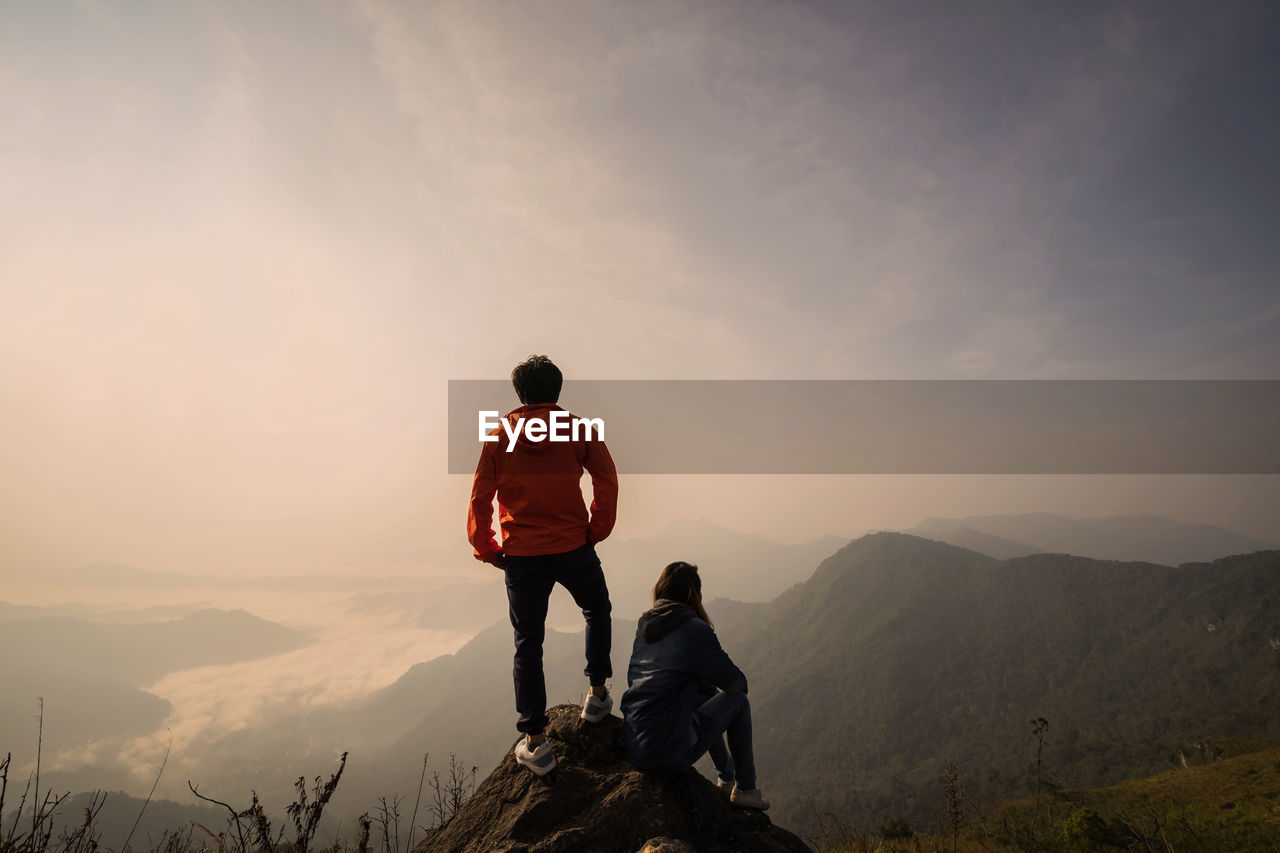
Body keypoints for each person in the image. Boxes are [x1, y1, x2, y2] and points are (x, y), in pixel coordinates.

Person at [467, 354, 619, 776]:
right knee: (597, 609)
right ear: (557, 389)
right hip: (574, 545)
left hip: (522, 555)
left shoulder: (499, 436)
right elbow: (607, 478)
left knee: (528, 642)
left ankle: (535, 741)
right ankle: (597, 693)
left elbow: (480, 495)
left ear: (520, 393)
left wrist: (487, 547)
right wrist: (596, 529)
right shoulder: (579, 429)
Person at [620, 561, 770, 810]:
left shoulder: (645, 627)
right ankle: (744, 788)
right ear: (694, 594)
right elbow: (737, 684)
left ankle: (725, 778)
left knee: (704, 693)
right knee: (738, 703)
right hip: (666, 754)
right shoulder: (695, 630)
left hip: (636, 746)